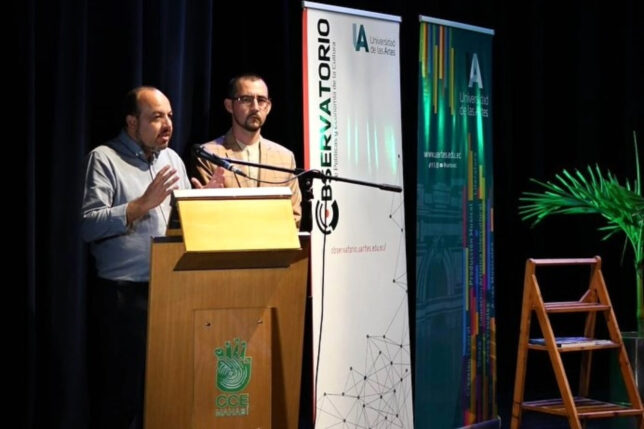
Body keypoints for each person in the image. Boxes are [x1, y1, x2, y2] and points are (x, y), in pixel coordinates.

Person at [81, 86, 191, 429]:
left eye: (169, 116)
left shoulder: (172, 160)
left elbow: (186, 220)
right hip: (124, 297)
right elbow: (88, 225)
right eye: (156, 117)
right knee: (122, 398)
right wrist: (141, 205)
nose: (167, 125)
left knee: (166, 393)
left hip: (172, 291)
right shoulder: (104, 159)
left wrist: (204, 202)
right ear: (132, 122)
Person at [191, 73, 302, 227]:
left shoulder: (284, 158)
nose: (255, 107)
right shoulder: (208, 155)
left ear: (268, 107)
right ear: (229, 105)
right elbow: (207, 218)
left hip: (273, 242)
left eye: (261, 100)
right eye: (246, 100)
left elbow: (294, 217)